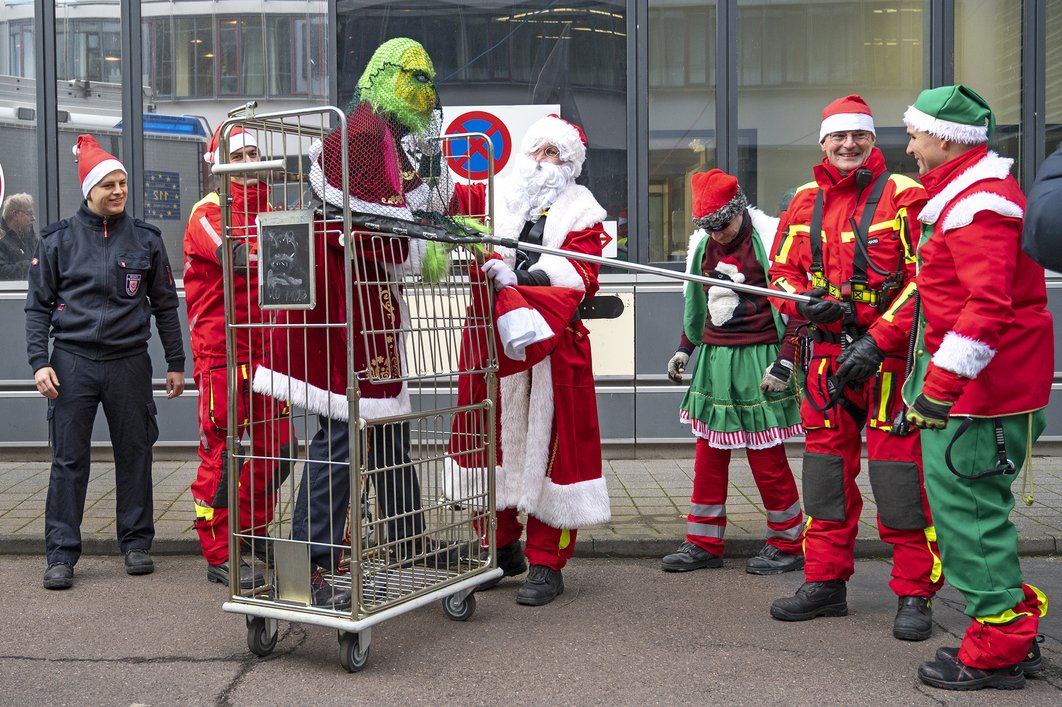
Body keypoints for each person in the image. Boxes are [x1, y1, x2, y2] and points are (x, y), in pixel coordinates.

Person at [252, 37, 453, 609]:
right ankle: (309, 563)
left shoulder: (386, 135)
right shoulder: (362, 135)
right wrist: (425, 237)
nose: (426, 91)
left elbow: (411, 206)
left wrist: (433, 195)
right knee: (341, 435)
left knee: (385, 432)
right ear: (387, 77)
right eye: (416, 78)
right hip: (339, 314)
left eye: (429, 80)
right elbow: (382, 230)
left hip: (365, 310)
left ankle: (409, 539)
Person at [767, 95, 944, 640]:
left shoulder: (906, 194)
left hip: (890, 362)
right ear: (823, 142)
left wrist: (879, 339)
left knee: (900, 479)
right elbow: (779, 274)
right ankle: (824, 582)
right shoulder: (803, 200)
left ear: (872, 139)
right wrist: (804, 305)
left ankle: (914, 593)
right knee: (824, 477)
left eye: (858, 136)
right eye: (838, 137)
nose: (848, 145)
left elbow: (927, 279)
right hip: (825, 360)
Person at [896, 85, 1052, 691]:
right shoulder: (970, 195)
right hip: (977, 390)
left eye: (915, 135)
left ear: (945, 138)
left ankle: (997, 649)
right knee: (974, 512)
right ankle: (1012, 630)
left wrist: (938, 389)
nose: (909, 147)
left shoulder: (979, 205)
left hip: (978, 396)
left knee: (972, 518)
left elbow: (986, 309)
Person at [26, 134, 185, 590]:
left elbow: (165, 305)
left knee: (135, 454)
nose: (119, 191)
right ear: (89, 190)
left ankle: (136, 544)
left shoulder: (146, 239)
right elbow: (37, 307)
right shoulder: (56, 240)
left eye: (123, 183)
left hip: (129, 362)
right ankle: (61, 554)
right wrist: (39, 362)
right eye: (108, 184)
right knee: (68, 460)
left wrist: (176, 361)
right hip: (71, 362)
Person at [471, 114, 612, 606]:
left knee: (553, 452)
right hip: (500, 343)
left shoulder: (583, 213)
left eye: (554, 153)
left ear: (569, 164)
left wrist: (524, 278)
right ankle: (500, 547)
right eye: (537, 151)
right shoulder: (502, 203)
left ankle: (547, 562)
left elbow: (581, 274)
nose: (542, 161)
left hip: (556, 346)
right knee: (493, 442)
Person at [661, 169, 804, 575]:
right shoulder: (702, 247)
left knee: (766, 456)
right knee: (708, 455)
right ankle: (703, 542)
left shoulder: (770, 242)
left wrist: (786, 360)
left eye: (722, 224)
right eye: (708, 227)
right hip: (714, 360)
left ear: (740, 210)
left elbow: (796, 306)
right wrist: (684, 348)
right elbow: (697, 302)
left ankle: (789, 543)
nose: (717, 234)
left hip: (759, 357)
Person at [183, 124, 294, 589]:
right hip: (223, 355)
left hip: (270, 355)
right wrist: (288, 250)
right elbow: (235, 253)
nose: (249, 163)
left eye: (254, 154)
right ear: (219, 165)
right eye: (240, 155)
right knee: (223, 453)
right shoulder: (207, 211)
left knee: (279, 450)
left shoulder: (274, 210)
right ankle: (220, 550)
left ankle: (249, 530)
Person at [0, 193, 38, 279]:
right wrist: (29, 265)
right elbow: (1, 272)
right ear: (15, 215)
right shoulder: (2, 241)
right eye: (29, 214)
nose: (33, 218)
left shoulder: (32, 240)